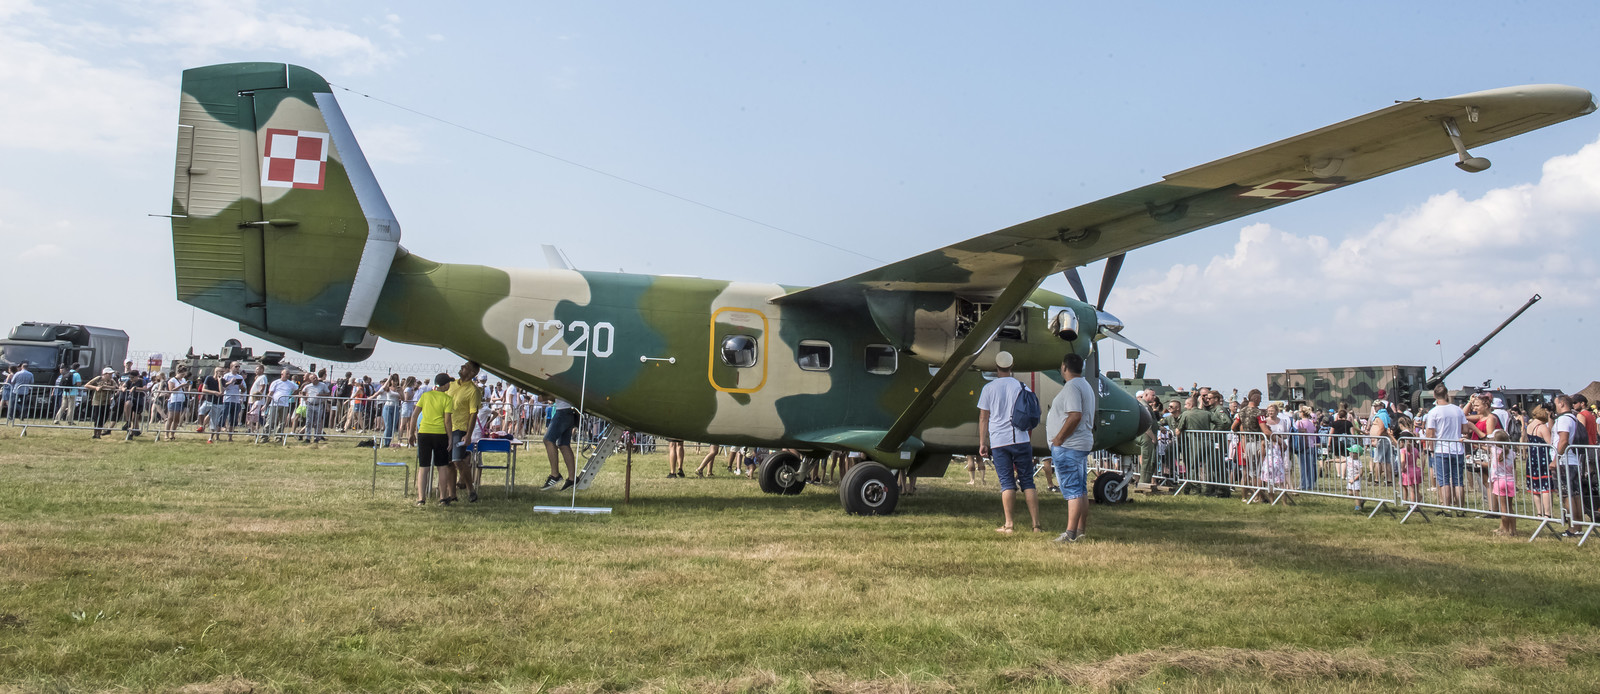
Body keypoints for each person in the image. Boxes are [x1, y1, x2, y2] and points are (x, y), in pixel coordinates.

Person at [976, 351, 1040, 535]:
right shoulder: (1021, 386)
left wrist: (982, 442)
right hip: (1021, 438)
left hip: (999, 441)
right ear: (1011, 367)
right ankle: (1036, 525)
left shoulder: (988, 388)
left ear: (996, 367)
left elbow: (983, 418)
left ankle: (1009, 525)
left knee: (1006, 483)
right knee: (1028, 481)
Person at [1048, 353, 1095, 543]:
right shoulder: (1084, 385)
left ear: (1064, 367)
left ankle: (1070, 533)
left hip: (1069, 445)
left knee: (1072, 491)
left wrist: (1059, 438)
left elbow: (1075, 415)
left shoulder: (1072, 387)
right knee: (1080, 490)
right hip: (1079, 443)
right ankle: (1080, 530)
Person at [1423, 384, 1469, 516]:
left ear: (1434, 396)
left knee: (1444, 480)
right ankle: (1460, 508)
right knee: (1458, 481)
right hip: (1457, 448)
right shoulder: (1458, 410)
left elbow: (1430, 434)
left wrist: (1431, 449)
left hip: (1441, 448)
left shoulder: (1433, 412)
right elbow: (1465, 429)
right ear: (1446, 394)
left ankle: (1447, 508)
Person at [448, 362, 483, 502]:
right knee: (449, 462)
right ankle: (452, 494)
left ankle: (470, 489)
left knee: (457, 460)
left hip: (460, 429)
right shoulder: (451, 385)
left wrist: (468, 434)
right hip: (446, 428)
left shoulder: (474, 391)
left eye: (465, 367)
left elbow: (473, 414)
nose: (462, 367)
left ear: (472, 373)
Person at [1552, 394, 1586, 537]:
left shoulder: (1563, 419)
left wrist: (1555, 459)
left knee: (1567, 496)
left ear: (1561, 404)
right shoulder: (1573, 417)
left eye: (1556, 404)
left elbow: (1563, 441)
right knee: (1576, 495)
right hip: (1573, 461)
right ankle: (1578, 527)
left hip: (1564, 462)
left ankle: (1572, 527)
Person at [1520, 406, 1555, 521]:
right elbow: (1550, 442)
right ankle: (1547, 513)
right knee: (1545, 486)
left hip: (1532, 457)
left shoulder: (1530, 425)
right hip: (1542, 457)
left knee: (1535, 486)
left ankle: (1539, 512)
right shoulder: (1542, 427)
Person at [542, 393, 579, 490]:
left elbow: (556, 395)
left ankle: (555, 475)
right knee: (563, 444)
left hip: (563, 411)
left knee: (548, 440)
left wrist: (545, 396)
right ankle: (572, 479)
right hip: (569, 411)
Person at [82, 367, 119, 438]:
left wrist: (105, 387)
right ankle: (95, 434)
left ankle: (99, 433)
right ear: (105, 374)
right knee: (97, 418)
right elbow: (87, 385)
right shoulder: (98, 378)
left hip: (107, 402)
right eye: (109, 374)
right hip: (97, 401)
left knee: (104, 418)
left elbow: (116, 387)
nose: (111, 375)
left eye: (111, 374)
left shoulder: (112, 381)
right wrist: (96, 388)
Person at [299, 372, 331, 443]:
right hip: (310, 405)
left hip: (319, 405)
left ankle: (317, 437)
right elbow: (302, 392)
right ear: (310, 380)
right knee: (308, 421)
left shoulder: (322, 385)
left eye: (316, 377)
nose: (315, 379)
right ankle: (308, 437)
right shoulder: (308, 386)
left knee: (318, 422)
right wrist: (305, 399)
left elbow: (328, 393)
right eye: (313, 378)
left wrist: (321, 395)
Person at [219, 361, 245, 442]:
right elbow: (222, 386)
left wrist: (240, 386)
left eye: (238, 367)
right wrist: (230, 382)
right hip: (227, 399)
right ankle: (217, 436)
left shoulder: (240, 377)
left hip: (236, 400)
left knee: (233, 419)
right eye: (236, 366)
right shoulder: (227, 376)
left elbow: (244, 390)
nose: (237, 368)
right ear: (231, 367)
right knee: (222, 417)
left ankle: (230, 437)